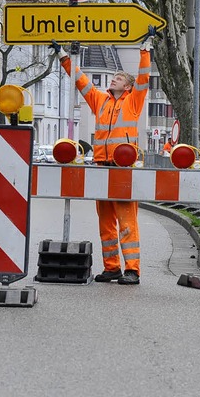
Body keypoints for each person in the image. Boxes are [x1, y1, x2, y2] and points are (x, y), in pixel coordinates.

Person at [50, 26, 156, 285]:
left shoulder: (134, 101)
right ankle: (112, 268)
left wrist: (145, 49)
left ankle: (132, 269)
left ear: (128, 86)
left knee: (127, 220)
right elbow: (81, 80)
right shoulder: (101, 101)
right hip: (101, 165)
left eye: (119, 78)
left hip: (122, 169)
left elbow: (144, 77)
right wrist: (63, 56)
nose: (114, 79)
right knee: (106, 223)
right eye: (114, 77)